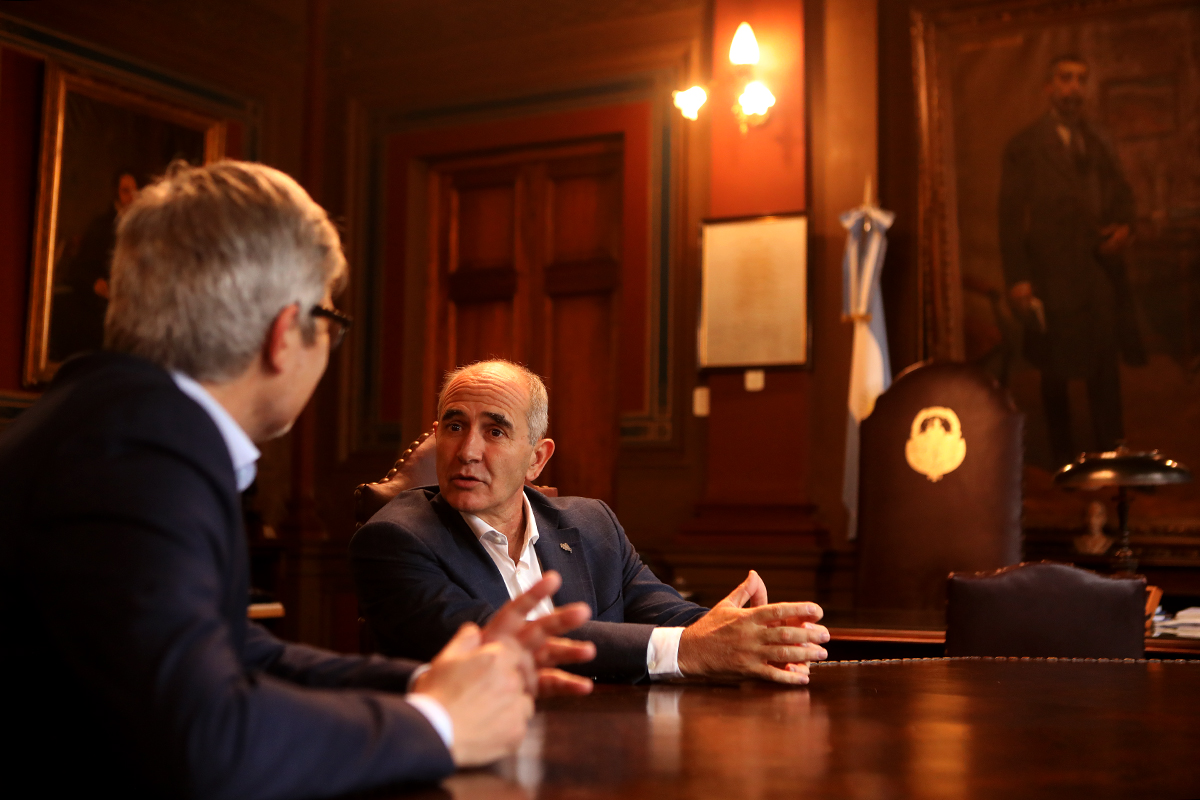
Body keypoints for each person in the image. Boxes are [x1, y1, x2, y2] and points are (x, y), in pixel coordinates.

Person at [0, 161, 597, 799]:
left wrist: (432, 682)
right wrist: (441, 725)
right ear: (286, 334)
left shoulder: (113, 420)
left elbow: (238, 650)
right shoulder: (139, 456)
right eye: (330, 324)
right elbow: (207, 744)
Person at [350, 359, 830, 684]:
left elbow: (665, 615)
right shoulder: (394, 540)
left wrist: (752, 634)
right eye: (455, 427)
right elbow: (504, 640)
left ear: (537, 459)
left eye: (495, 431)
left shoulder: (591, 523)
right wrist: (689, 648)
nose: (468, 450)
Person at [999, 53, 1144, 467]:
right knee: (1055, 370)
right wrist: (1019, 278)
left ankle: (1112, 453)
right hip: (1051, 272)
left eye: (1081, 79)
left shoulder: (1099, 139)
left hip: (1098, 272)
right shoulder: (1025, 145)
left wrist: (1125, 228)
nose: (1073, 88)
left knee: (1104, 366)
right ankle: (1063, 459)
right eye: (1065, 79)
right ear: (1049, 87)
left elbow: (1123, 195)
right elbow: (1009, 217)